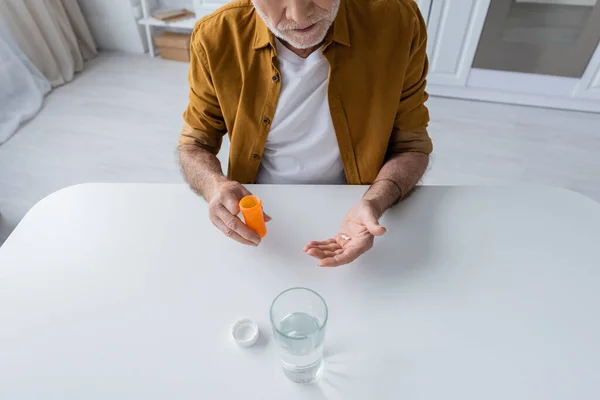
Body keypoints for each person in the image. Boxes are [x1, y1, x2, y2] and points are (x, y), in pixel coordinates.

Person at [178, 0, 433, 267]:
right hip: (263, 219)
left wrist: (375, 201)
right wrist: (213, 185)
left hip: (361, 206)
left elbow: (411, 146)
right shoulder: (215, 35)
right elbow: (194, 144)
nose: (299, 15)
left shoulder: (399, 20)